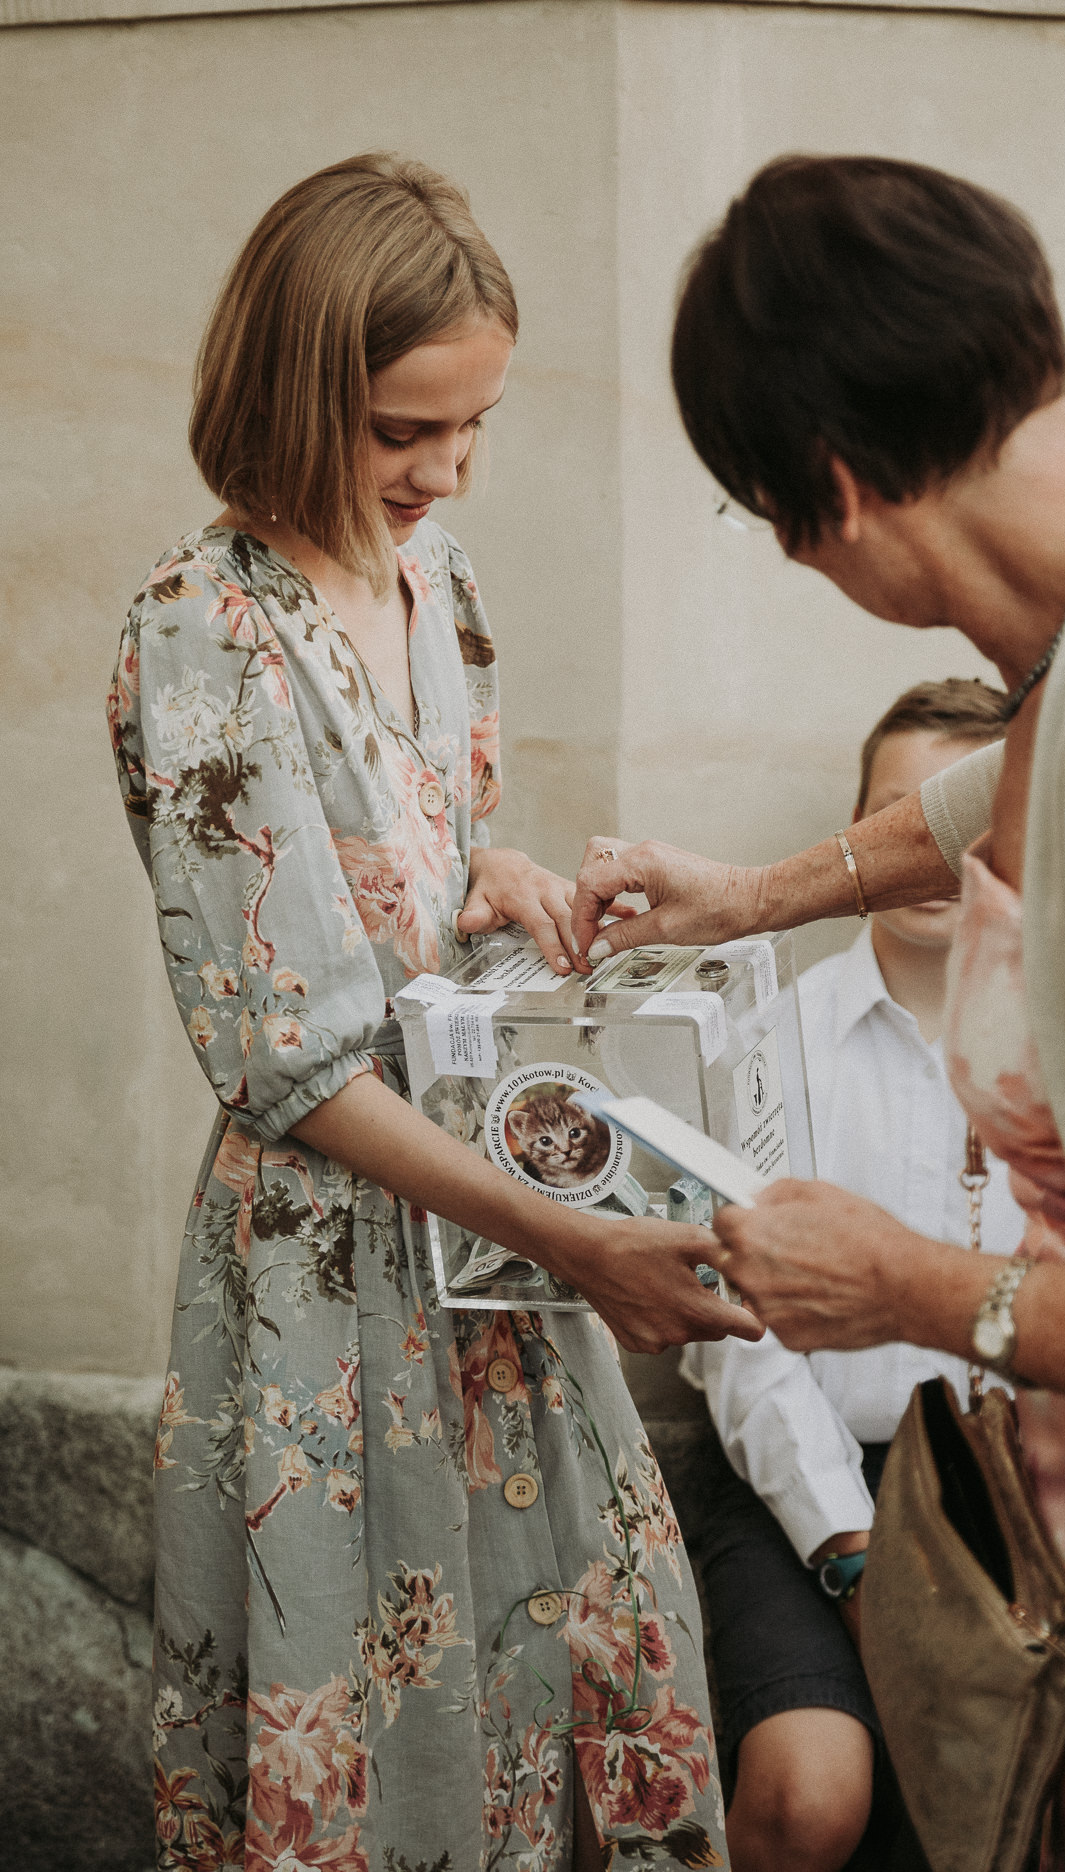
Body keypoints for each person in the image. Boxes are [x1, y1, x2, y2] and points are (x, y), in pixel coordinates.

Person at [570, 156, 1065, 1861]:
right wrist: (749, 893)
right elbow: (990, 781)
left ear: (837, 494)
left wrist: (906, 1285)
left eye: (764, 521)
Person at [108, 153, 760, 1872]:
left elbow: (402, 867)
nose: (444, 470)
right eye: (405, 430)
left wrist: (498, 884)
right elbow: (288, 1056)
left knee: (581, 1675)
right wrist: (573, 1236)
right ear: (294, 386)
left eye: (471, 428)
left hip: (493, 1246)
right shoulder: (199, 630)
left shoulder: (438, 584)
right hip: (336, 1278)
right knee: (388, 1732)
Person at [681, 680, 1024, 1872]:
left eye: (961, 825)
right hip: (805, 1481)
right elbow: (732, 1330)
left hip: (1021, 1489)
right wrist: (849, 1546)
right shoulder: (771, 1039)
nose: (929, 859)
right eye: (899, 822)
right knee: (808, 1793)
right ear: (861, 841)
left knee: (1018, 1796)